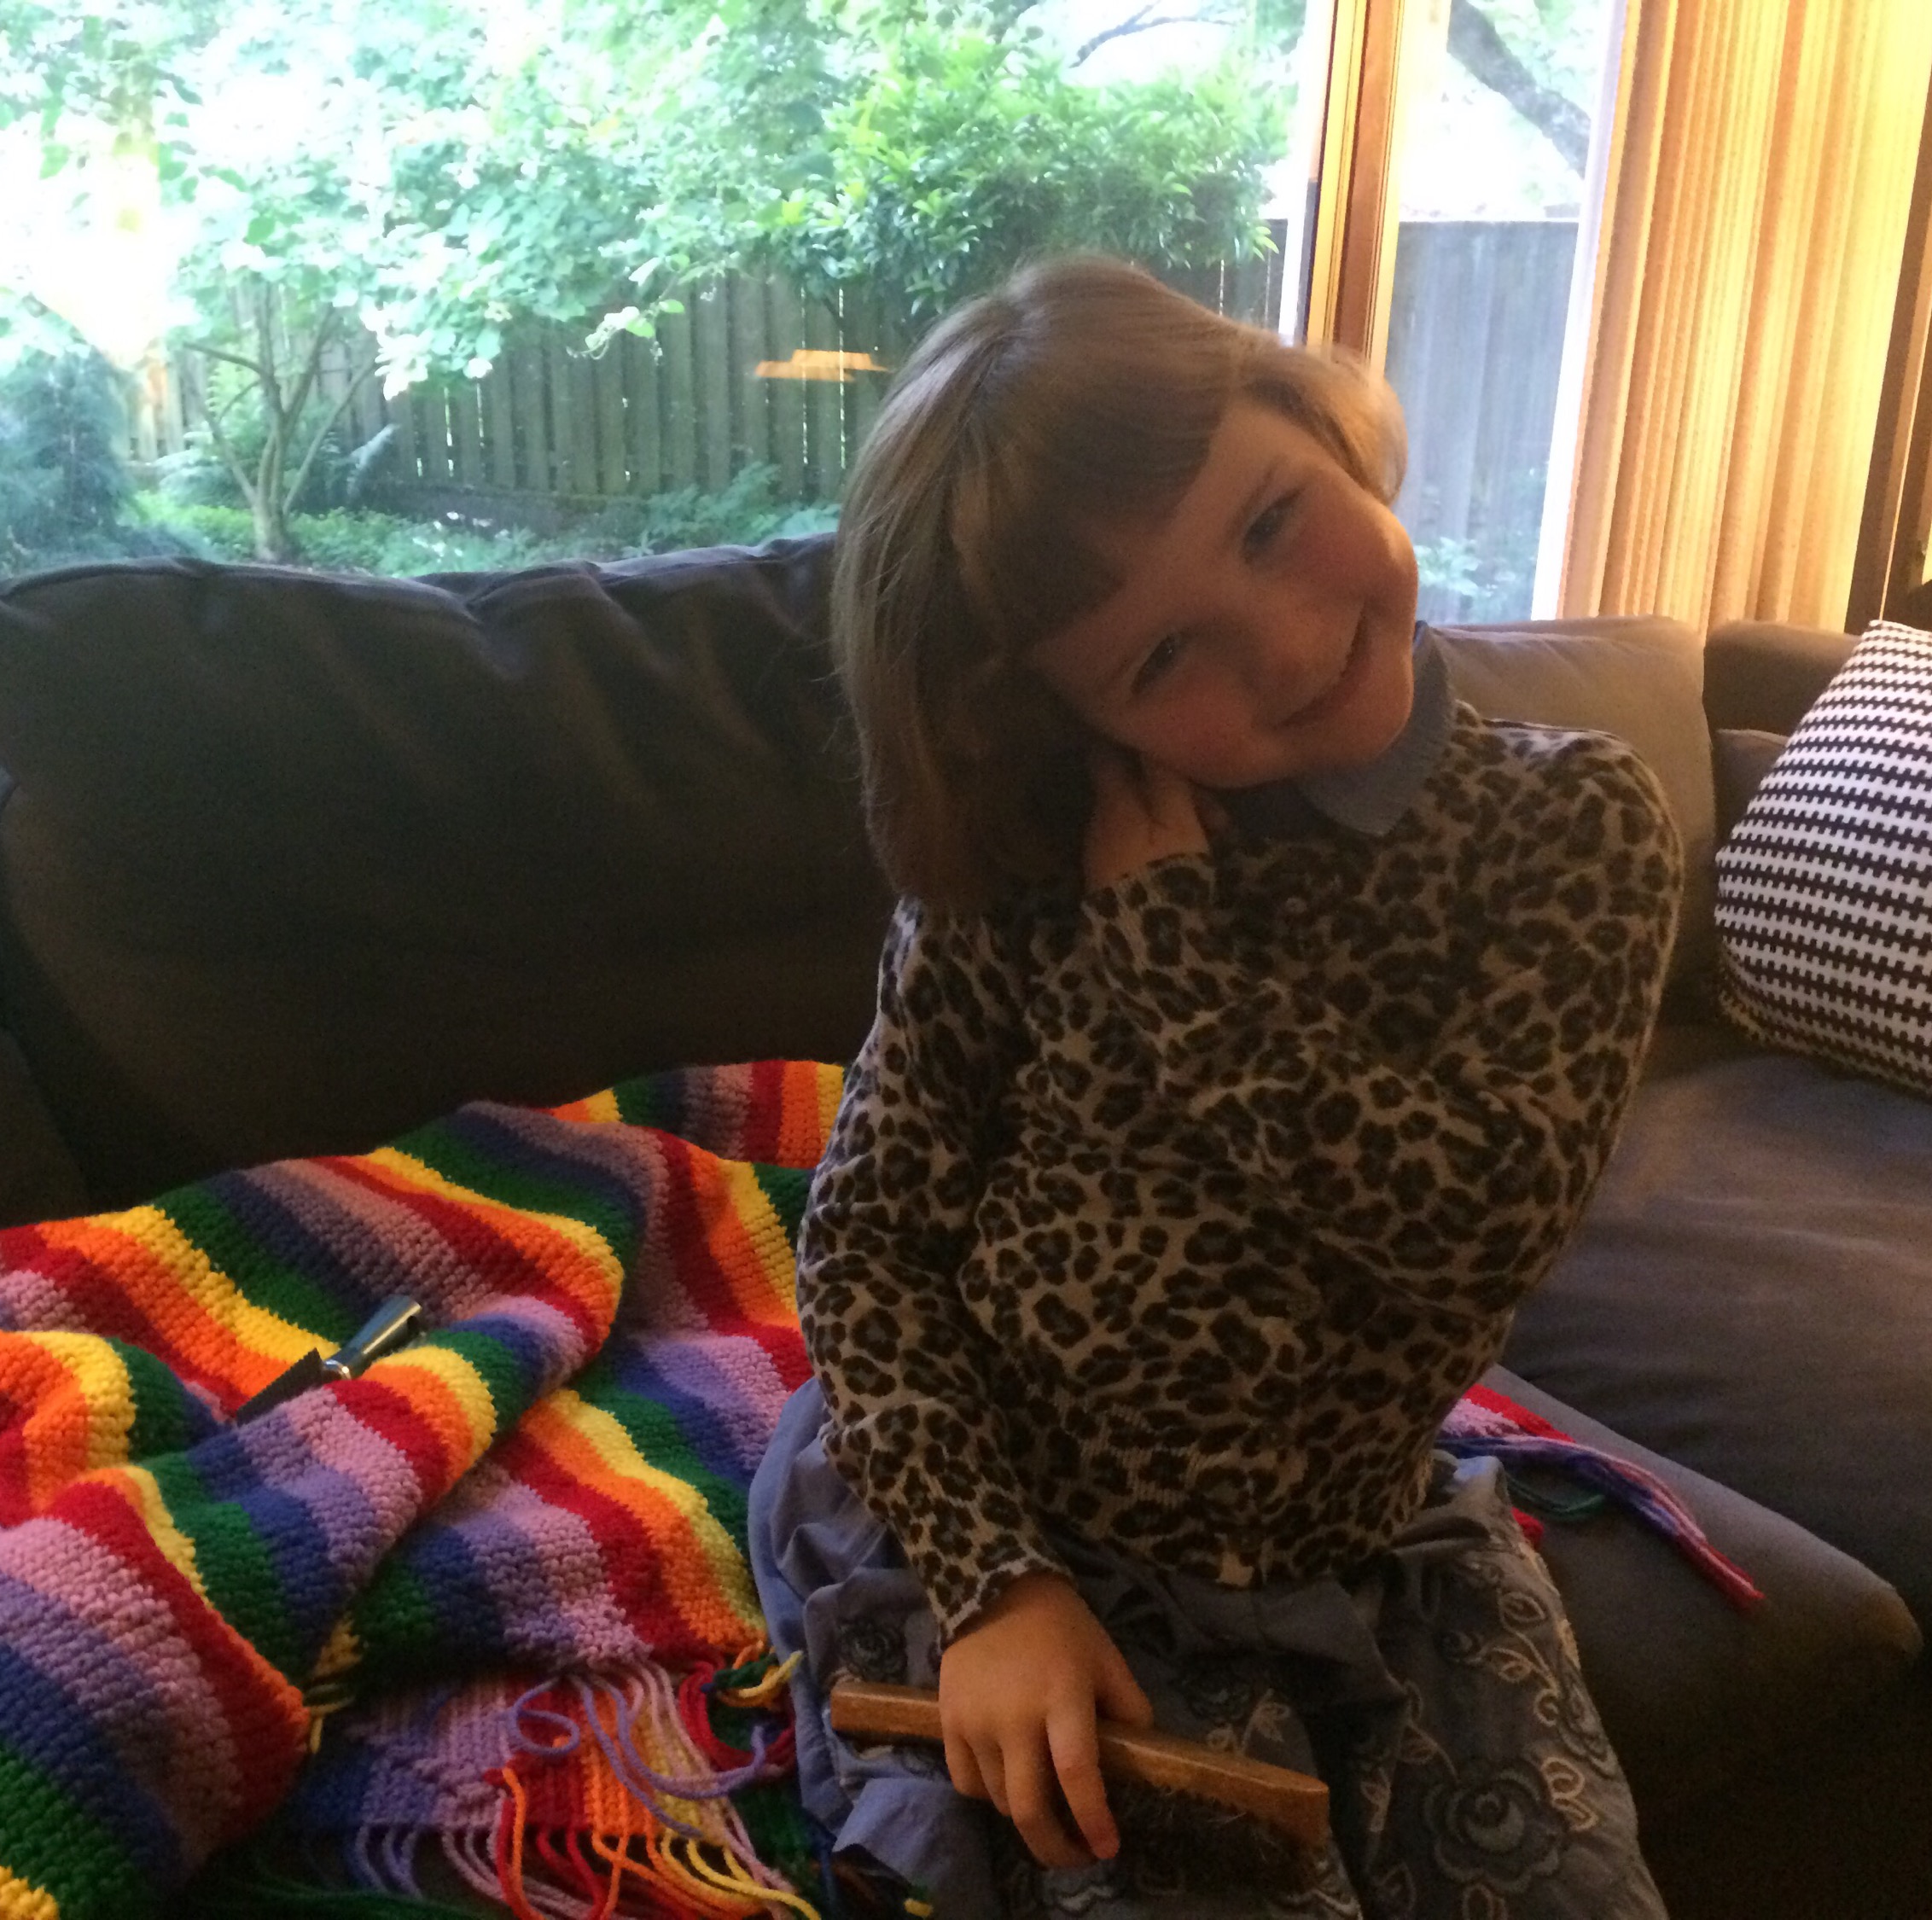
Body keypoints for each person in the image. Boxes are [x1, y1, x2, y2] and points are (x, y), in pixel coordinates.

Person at [747, 254, 1683, 1920]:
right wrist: (997, 1589)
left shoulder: (1572, 830)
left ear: (1321, 421)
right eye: (1167, 652)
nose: (1289, 641)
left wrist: (1176, 951)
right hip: (1024, 1525)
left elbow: (1468, 1227)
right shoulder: (1026, 875)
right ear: (1066, 714)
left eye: (1271, 521)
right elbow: (872, 1243)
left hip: (1365, 1539)